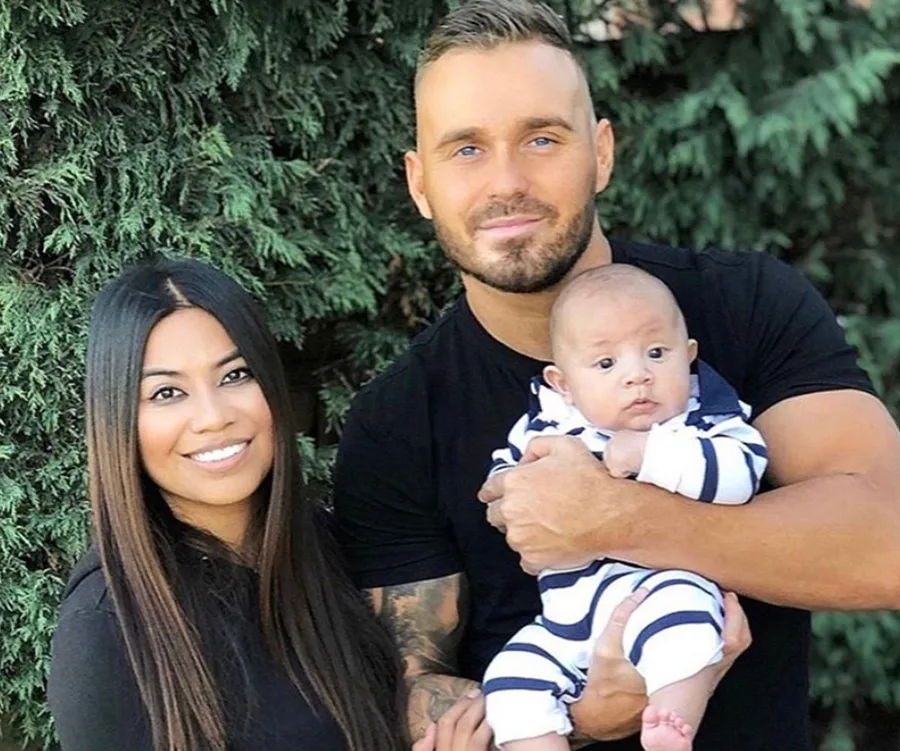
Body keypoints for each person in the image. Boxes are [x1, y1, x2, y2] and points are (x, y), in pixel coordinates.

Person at [333, 1, 900, 749]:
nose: (507, 181)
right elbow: (410, 690)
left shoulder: (745, 305)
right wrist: (590, 712)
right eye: (465, 149)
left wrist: (614, 517)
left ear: (601, 151)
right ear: (419, 182)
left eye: (542, 137)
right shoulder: (396, 421)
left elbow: (886, 543)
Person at [47, 258, 408, 751]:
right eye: (167, 392)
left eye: (236, 375)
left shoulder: (327, 546)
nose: (213, 417)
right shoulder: (106, 628)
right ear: (120, 422)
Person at [481, 264, 768, 751]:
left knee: (685, 623)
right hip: (565, 622)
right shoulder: (547, 425)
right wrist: (512, 490)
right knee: (509, 680)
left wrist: (650, 454)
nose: (638, 375)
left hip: (659, 587)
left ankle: (671, 721)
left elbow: (740, 476)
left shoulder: (704, 420)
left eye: (657, 354)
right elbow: (504, 483)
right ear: (563, 383)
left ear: (689, 357)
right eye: (606, 364)